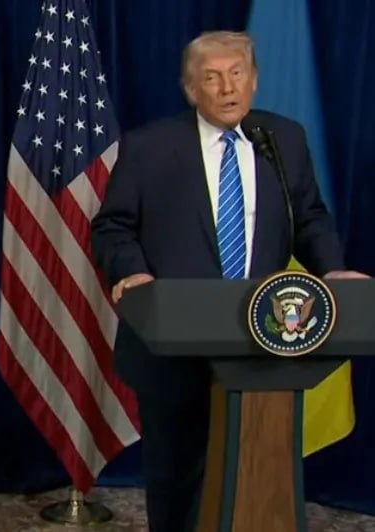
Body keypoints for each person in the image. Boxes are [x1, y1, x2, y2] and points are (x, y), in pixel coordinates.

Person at [90, 31, 367, 532]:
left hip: (262, 339)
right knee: (177, 473)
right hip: (173, 341)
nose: (227, 88)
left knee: (255, 468)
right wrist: (132, 271)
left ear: (254, 80)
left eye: (237, 74)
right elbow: (113, 225)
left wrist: (331, 270)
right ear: (191, 89)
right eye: (212, 78)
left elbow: (308, 217)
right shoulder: (151, 146)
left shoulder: (283, 139)